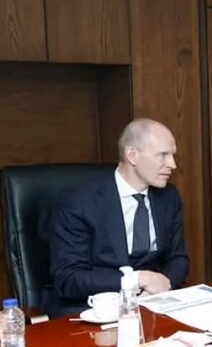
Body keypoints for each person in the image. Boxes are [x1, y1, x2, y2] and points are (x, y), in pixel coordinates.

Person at [48, 118, 189, 316]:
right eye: (163, 155)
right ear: (132, 155)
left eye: (172, 155)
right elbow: (69, 278)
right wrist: (136, 280)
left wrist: (162, 284)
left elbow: (178, 258)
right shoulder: (79, 201)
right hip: (94, 309)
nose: (172, 164)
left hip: (153, 305)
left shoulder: (168, 197)